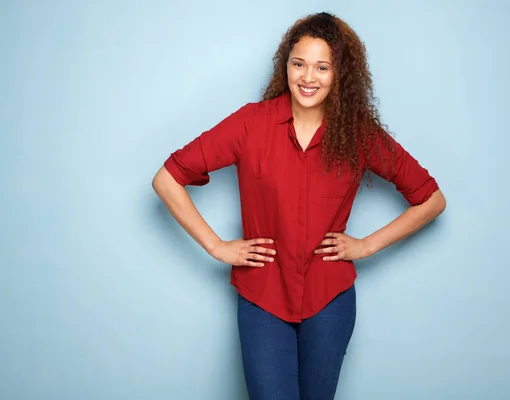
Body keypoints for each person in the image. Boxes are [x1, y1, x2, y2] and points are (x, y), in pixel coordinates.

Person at [152, 11, 446, 400]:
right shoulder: (250, 124)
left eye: (322, 67)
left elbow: (431, 199)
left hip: (330, 300)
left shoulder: (356, 133)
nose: (308, 78)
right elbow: (167, 178)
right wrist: (217, 246)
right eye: (299, 64)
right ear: (285, 66)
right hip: (262, 297)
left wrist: (366, 245)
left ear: (340, 73)